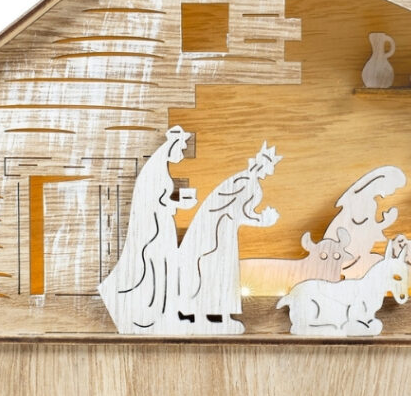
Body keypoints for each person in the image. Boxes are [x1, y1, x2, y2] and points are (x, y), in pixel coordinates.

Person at [98, 125, 194, 333]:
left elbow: (159, 200)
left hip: (162, 224)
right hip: (155, 229)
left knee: (162, 267)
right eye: (180, 148)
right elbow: (153, 202)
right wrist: (179, 204)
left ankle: (162, 312)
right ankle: (150, 313)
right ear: (172, 146)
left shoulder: (160, 167)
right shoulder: (156, 169)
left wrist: (175, 204)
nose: (181, 154)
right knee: (156, 267)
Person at [176, 142, 281, 333]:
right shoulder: (244, 182)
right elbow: (237, 213)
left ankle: (221, 316)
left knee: (222, 274)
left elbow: (241, 213)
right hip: (216, 236)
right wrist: (263, 220)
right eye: (270, 165)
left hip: (224, 235)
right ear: (261, 164)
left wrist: (261, 219)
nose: (271, 170)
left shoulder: (248, 182)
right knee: (214, 272)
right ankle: (202, 316)